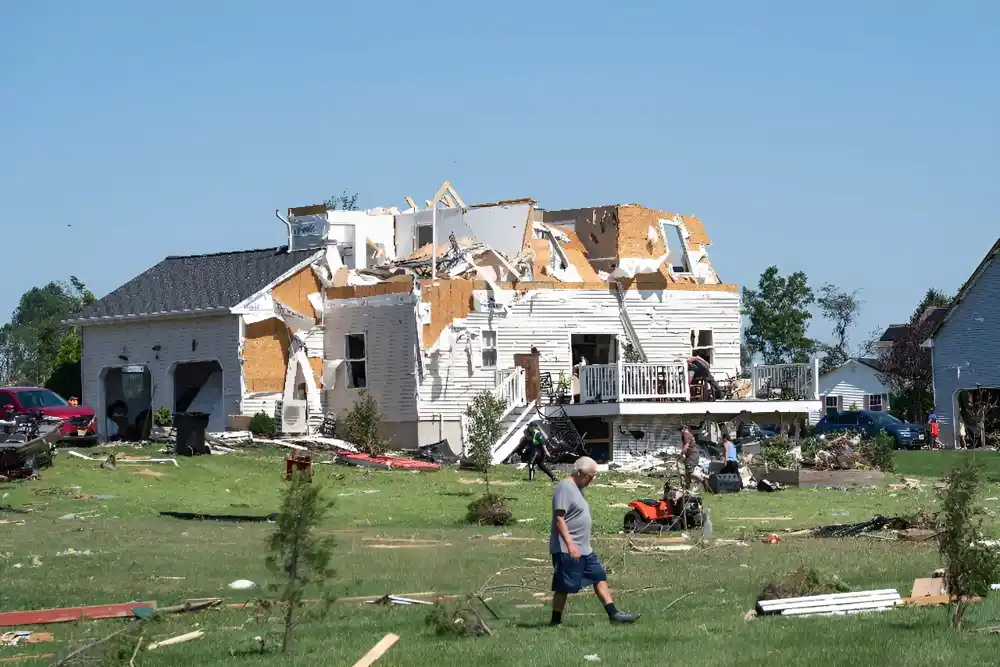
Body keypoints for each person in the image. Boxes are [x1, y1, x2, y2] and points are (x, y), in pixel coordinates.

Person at [550, 457, 640, 626]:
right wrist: (570, 545)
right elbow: (559, 519)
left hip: (585, 548)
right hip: (567, 548)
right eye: (590, 477)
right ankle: (555, 622)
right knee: (564, 586)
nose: (592, 480)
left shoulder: (577, 488)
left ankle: (614, 615)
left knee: (599, 576)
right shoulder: (565, 487)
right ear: (579, 473)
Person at [680, 425, 712, 494]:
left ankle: (703, 481)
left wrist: (682, 453)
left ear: (684, 429)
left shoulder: (686, 435)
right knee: (687, 473)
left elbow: (686, 445)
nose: (680, 432)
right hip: (690, 456)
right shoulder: (688, 434)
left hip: (692, 456)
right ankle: (686, 489)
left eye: (681, 430)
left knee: (690, 473)